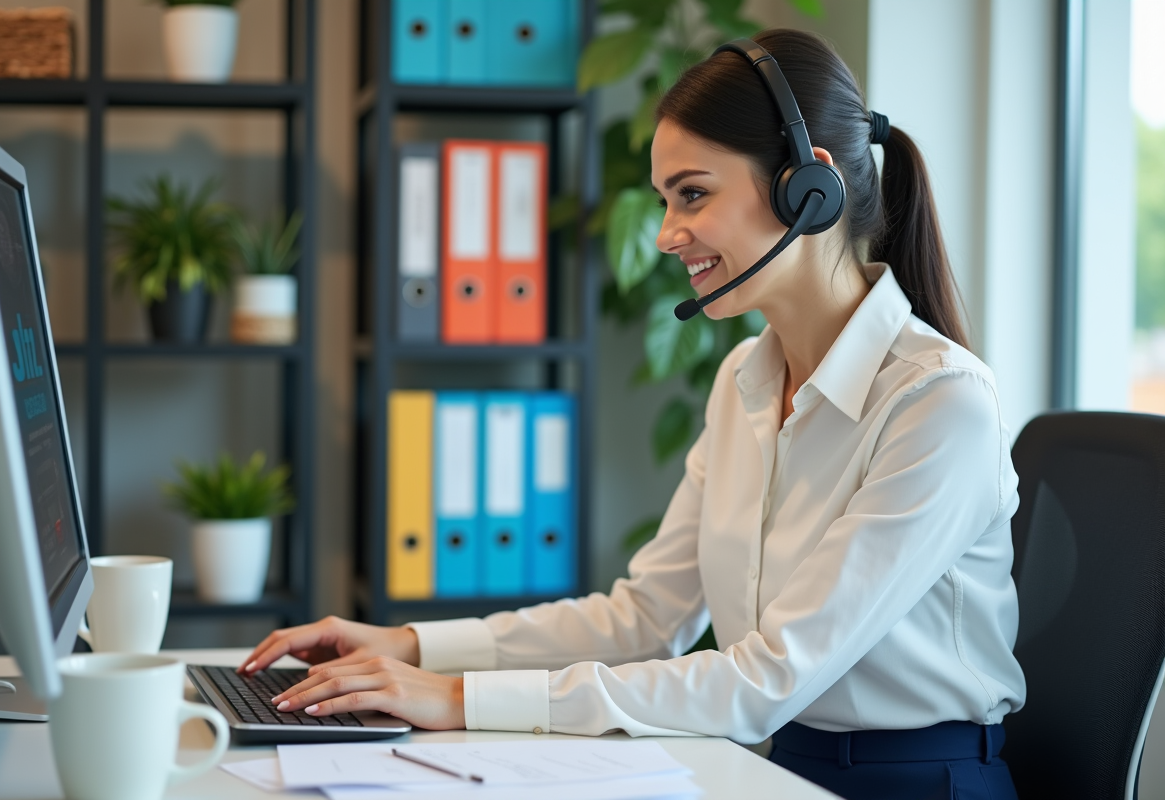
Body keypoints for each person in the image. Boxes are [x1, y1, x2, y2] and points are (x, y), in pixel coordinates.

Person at [241, 29, 1026, 800]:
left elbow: (767, 678)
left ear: (807, 187)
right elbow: (647, 618)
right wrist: (413, 647)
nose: (664, 235)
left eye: (693, 193)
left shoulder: (938, 404)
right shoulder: (743, 381)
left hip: (918, 783)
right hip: (770, 762)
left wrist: (455, 701)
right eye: (664, 200)